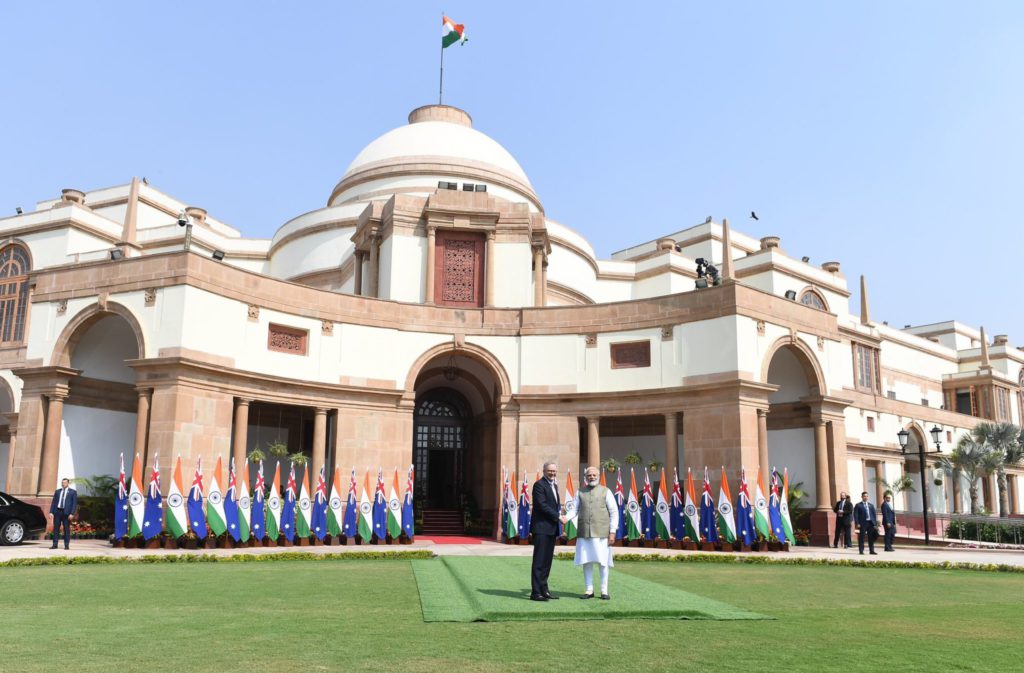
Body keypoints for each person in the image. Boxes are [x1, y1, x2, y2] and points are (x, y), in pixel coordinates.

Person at [561, 466, 618, 600]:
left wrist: (612, 532)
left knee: (603, 562)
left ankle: (604, 591)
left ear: (598, 476)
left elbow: (614, 512)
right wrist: (566, 518)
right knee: (586, 561)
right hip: (584, 533)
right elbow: (574, 510)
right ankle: (589, 590)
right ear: (585, 477)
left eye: (594, 475)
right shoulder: (580, 492)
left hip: (602, 533)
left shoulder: (606, 491)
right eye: (589, 475)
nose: (591, 477)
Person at [530, 462, 560, 601]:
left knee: (547, 561)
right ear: (544, 471)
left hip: (551, 529)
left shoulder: (554, 485)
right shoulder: (539, 485)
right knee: (539, 561)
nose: (552, 473)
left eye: (554, 471)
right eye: (549, 471)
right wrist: (558, 516)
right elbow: (541, 505)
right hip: (541, 528)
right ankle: (536, 593)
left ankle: (544, 589)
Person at [49, 478, 78, 550]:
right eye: (62, 483)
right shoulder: (57, 491)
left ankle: (66, 545)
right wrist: (51, 512)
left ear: (68, 483)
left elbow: (74, 504)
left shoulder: (72, 492)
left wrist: (72, 513)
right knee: (56, 529)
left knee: (66, 529)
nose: (63, 484)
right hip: (57, 512)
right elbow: (54, 502)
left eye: (65, 483)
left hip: (66, 513)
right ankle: (55, 545)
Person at [853, 491, 878, 555]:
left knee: (871, 537)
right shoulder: (858, 505)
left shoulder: (871, 505)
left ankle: (871, 550)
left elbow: (874, 515)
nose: (866, 497)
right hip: (863, 523)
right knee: (862, 537)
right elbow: (856, 515)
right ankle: (861, 550)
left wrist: (875, 524)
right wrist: (857, 523)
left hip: (870, 523)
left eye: (867, 496)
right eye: (864, 496)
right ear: (862, 497)